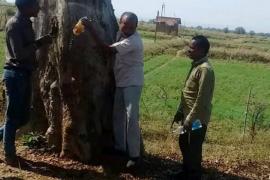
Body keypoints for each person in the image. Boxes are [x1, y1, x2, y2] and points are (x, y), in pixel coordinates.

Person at [81, 12, 144, 168]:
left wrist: (90, 28)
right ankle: (120, 148)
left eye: (131, 26)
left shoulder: (133, 41)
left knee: (131, 119)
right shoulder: (119, 33)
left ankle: (134, 156)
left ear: (136, 27)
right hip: (121, 82)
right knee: (118, 115)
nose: (127, 28)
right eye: (124, 24)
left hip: (132, 83)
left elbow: (107, 49)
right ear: (120, 23)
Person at [0, 0, 57, 166]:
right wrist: (40, 43)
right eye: (35, 5)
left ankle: (6, 141)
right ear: (25, 7)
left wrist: (45, 39)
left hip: (24, 74)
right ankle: (10, 156)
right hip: (15, 75)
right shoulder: (15, 25)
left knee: (23, 118)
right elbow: (19, 53)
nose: (38, 7)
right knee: (12, 118)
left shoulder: (25, 23)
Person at [172, 35, 215, 179]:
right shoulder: (196, 65)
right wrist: (180, 111)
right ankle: (186, 170)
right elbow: (187, 92)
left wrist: (190, 119)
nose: (188, 50)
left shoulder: (205, 70)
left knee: (194, 146)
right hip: (187, 114)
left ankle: (194, 175)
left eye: (192, 47)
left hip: (196, 119)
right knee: (183, 142)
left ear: (202, 50)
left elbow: (202, 99)